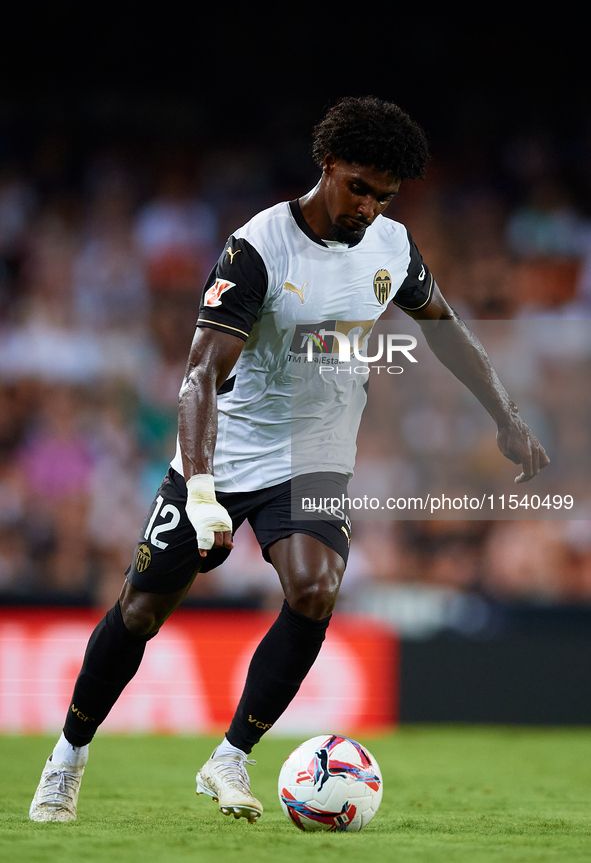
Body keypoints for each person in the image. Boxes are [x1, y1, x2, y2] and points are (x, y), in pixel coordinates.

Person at [29, 96, 549, 824]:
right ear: (328, 165)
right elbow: (199, 376)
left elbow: (447, 332)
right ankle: (67, 756)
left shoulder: (391, 248)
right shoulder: (259, 247)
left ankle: (230, 757)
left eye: (383, 195)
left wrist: (507, 416)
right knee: (142, 611)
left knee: (314, 588)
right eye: (359, 187)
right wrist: (201, 487)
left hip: (313, 456)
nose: (368, 206)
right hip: (224, 449)